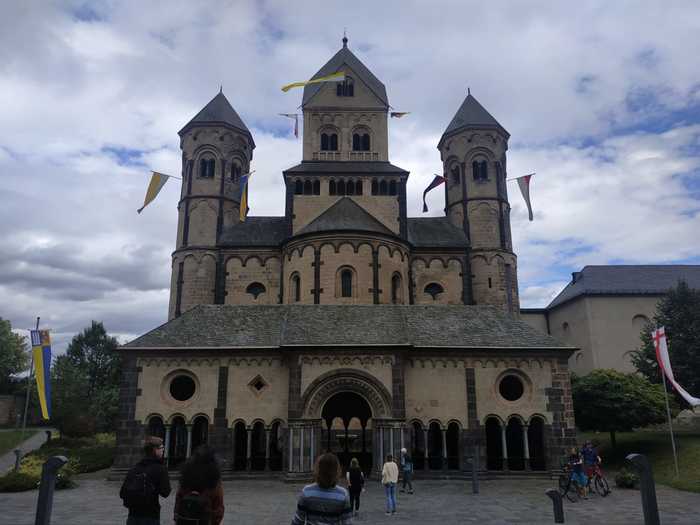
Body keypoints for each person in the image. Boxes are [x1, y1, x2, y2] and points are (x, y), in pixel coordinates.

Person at [120, 436, 171, 525]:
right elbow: (165, 492)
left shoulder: (134, 468)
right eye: (162, 448)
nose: (163, 450)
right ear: (155, 449)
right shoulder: (160, 469)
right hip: (151, 516)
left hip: (133, 516)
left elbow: (122, 493)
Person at [291, 453, 353, 525]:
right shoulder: (343, 494)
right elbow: (347, 522)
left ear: (318, 470)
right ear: (337, 471)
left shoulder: (307, 492)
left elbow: (298, 520)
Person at [173, 445, 224, 525]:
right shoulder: (214, 481)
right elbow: (218, 509)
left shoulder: (186, 477)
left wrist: (178, 518)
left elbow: (178, 501)